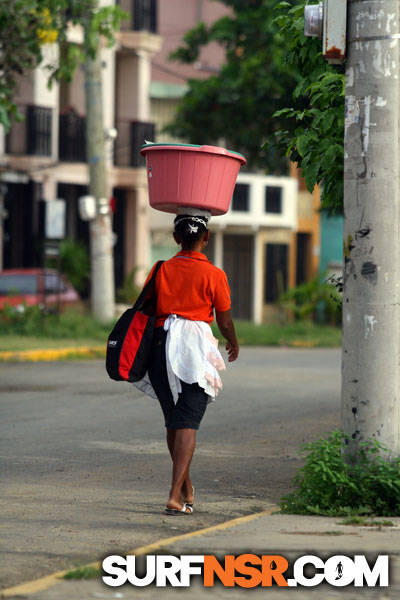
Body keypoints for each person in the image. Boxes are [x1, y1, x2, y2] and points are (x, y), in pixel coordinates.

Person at [134, 210, 239, 515]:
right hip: (193, 349)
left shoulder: (160, 269)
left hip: (159, 347)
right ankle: (173, 495)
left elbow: (146, 307)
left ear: (176, 238)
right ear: (206, 237)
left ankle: (185, 488)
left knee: (175, 420)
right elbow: (224, 317)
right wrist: (232, 341)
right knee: (188, 422)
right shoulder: (215, 275)